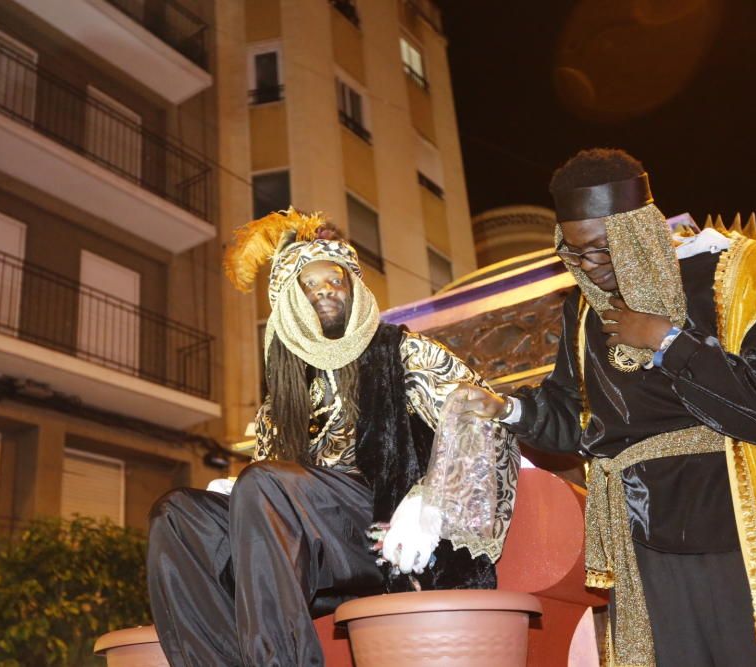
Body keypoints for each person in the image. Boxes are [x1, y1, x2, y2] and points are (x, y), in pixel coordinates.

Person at [459, 148, 756, 666]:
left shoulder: (740, 275)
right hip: (635, 529)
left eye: (603, 249)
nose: (591, 270)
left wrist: (671, 343)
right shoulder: (583, 311)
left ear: (641, 229)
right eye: (576, 256)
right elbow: (573, 421)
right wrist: (504, 409)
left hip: (735, 518)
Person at [147, 208, 519, 667]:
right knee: (178, 514)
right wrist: (237, 495)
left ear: (355, 288)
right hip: (307, 539)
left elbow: (482, 417)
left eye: (335, 280)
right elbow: (272, 507)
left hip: (385, 526)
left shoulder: (402, 350)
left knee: (264, 484)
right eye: (310, 283)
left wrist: (435, 498)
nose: (325, 289)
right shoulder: (279, 402)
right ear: (288, 300)